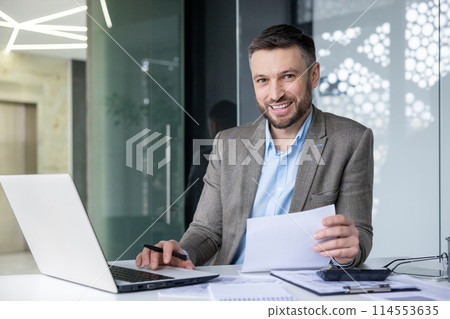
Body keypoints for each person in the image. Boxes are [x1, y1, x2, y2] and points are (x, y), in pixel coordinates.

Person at [136, 24, 373, 270]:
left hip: (303, 292)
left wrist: (347, 252)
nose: (275, 94)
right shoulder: (227, 143)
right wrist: (183, 253)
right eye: (262, 80)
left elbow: (361, 234)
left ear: (313, 75)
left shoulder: (351, 139)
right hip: (231, 287)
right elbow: (206, 230)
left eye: (288, 76)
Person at [184, 100, 237, 230]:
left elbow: (190, 198)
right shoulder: (248, 154)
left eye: (214, 126)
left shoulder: (205, 156)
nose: (213, 131)